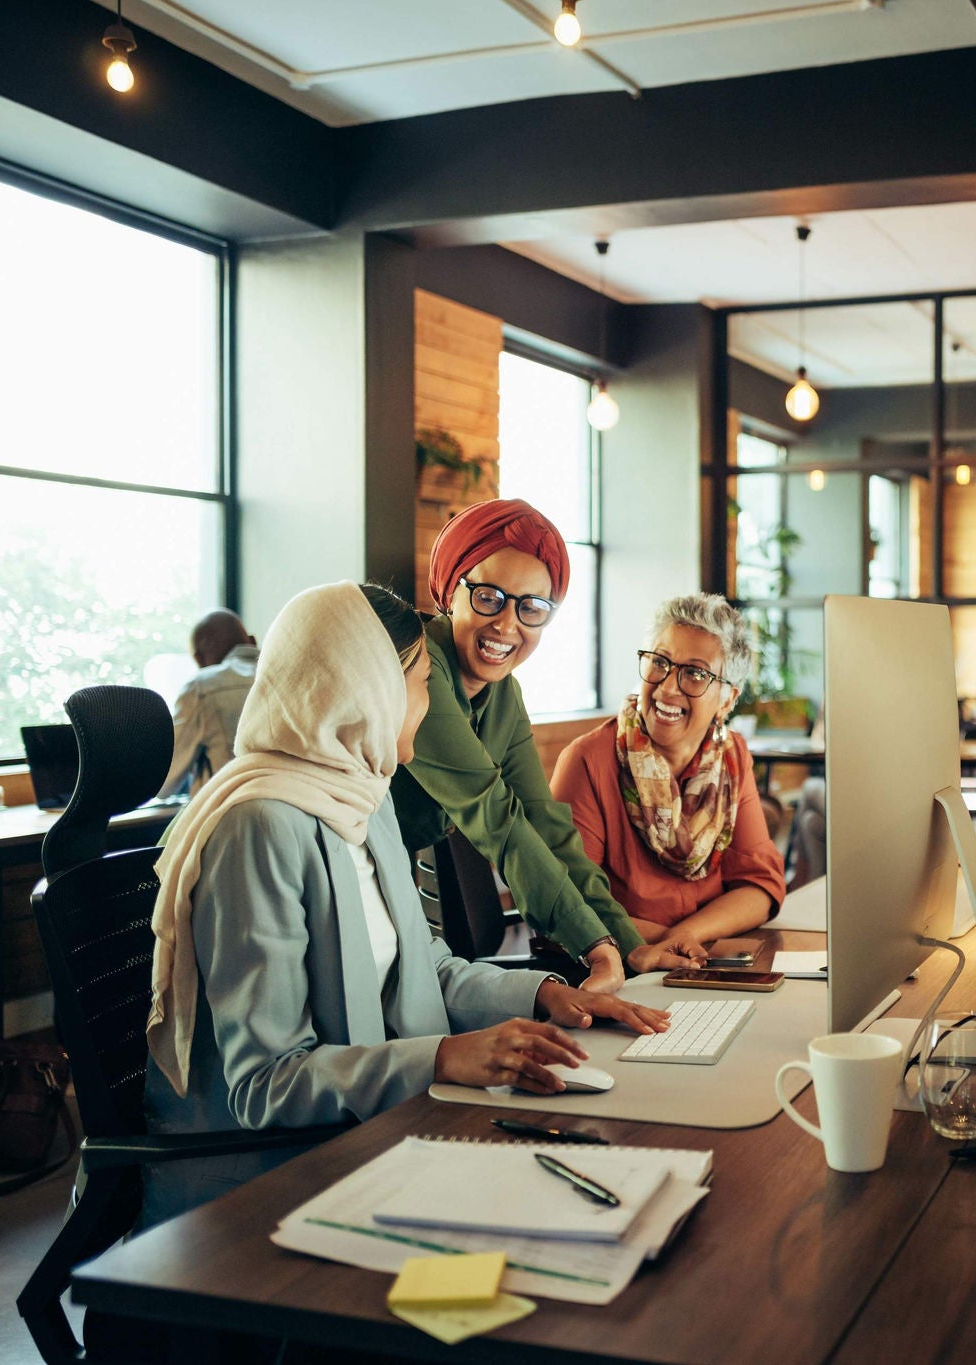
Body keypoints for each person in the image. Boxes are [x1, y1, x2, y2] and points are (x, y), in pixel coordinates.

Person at [142, 581, 666, 1226]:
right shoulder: (262, 827)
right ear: (369, 690)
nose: (427, 701)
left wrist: (545, 995)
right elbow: (266, 1084)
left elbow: (424, 965)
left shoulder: (364, 796)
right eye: (420, 682)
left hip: (386, 1132)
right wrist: (444, 1056)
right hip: (277, 1183)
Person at [393, 500, 699, 993]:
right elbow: (498, 818)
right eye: (489, 596)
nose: (507, 625)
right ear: (452, 590)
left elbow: (545, 824)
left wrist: (625, 942)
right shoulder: (419, 672)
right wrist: (593, 945)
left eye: (531, 607)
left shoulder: (502, 693)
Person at [550, 595, 786, 960]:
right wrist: (669, 946)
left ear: (726, 700)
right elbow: (567, 903)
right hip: (616, 967)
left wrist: (686, 936)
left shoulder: (731, 757)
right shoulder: (587, 761)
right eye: (660, 662)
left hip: (701, 959)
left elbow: (760, 885)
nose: (668, 687)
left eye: (695, 673)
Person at [161, 609, 258, 796]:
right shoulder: (289, 678)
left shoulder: (202, 687)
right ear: (252, 641)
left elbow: (164, 781)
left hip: (230, 814)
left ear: (198, 659)